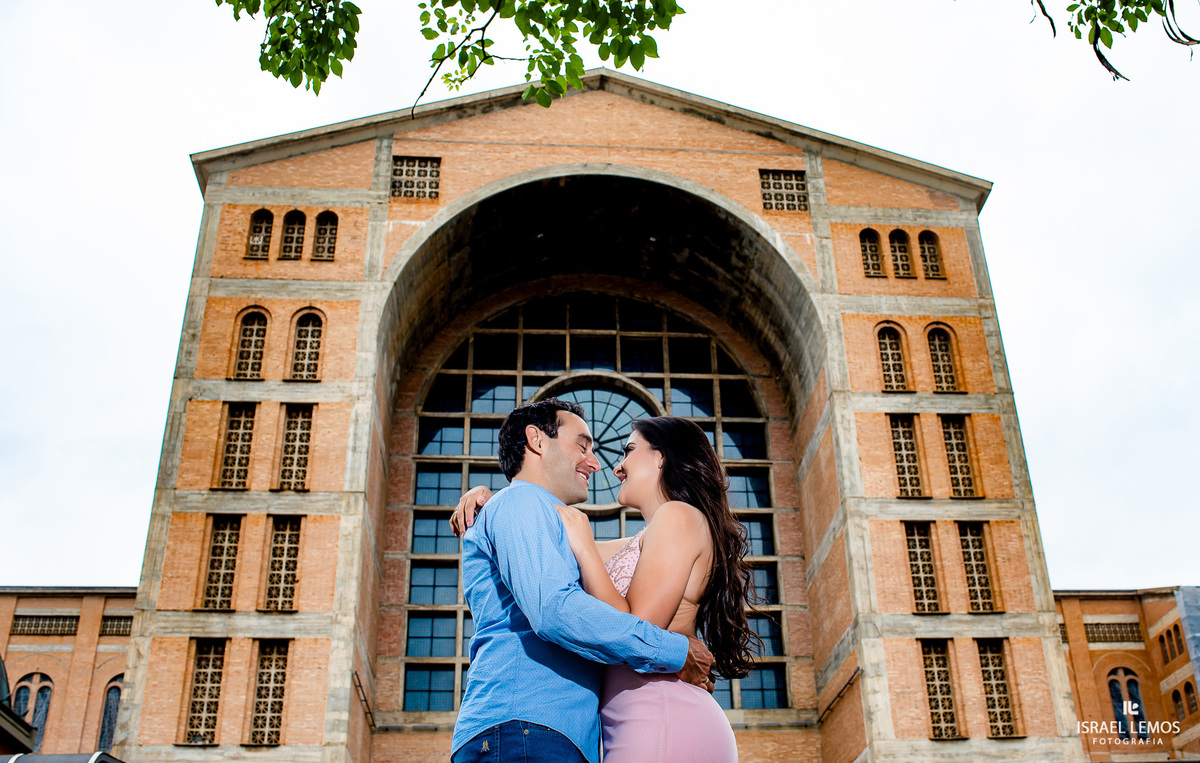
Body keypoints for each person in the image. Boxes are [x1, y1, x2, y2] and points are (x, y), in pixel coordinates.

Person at [452, 415, 759, 762]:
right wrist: (493, 501)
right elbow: (542, 549)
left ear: (661, 457)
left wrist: (583, 545)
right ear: (537, 442)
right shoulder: (634, 542)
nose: (611, 467)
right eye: (584, 447)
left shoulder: (677, 516)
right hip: (610, 724)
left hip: (657, 711)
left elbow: (639, 624)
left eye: (628, 451)